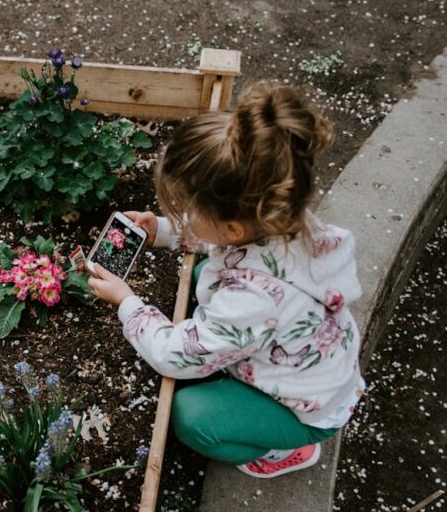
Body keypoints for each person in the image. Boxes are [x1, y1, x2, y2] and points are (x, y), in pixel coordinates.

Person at [88, 82, 364, 478]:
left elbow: (173, 356)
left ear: (233, 227)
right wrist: (162, 230)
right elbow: (222, 238)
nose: (182, 214)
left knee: (191, 416)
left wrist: (128, 303)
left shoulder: (252, 300)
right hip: (312, 364)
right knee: (206, 273)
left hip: (303, 408)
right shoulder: (285, 220)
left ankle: (282, 451)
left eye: (186, 209)